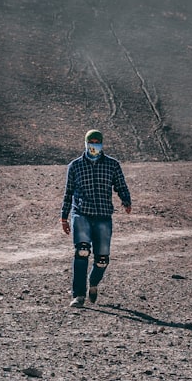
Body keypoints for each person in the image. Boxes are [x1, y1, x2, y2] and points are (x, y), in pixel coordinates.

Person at [60, 129, 131, 308]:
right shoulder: (75, 166)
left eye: (97, 141)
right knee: (82, 251)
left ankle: (93, 283)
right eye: (91, 141)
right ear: (85, 143)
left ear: (102, 143)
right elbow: (68, 193)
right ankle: (78, 295)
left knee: (102, 260)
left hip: (103, 216)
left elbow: (120, 185)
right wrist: (64, 216)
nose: (94, 144)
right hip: (81, 213)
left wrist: (126, 200)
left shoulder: (112, 165)